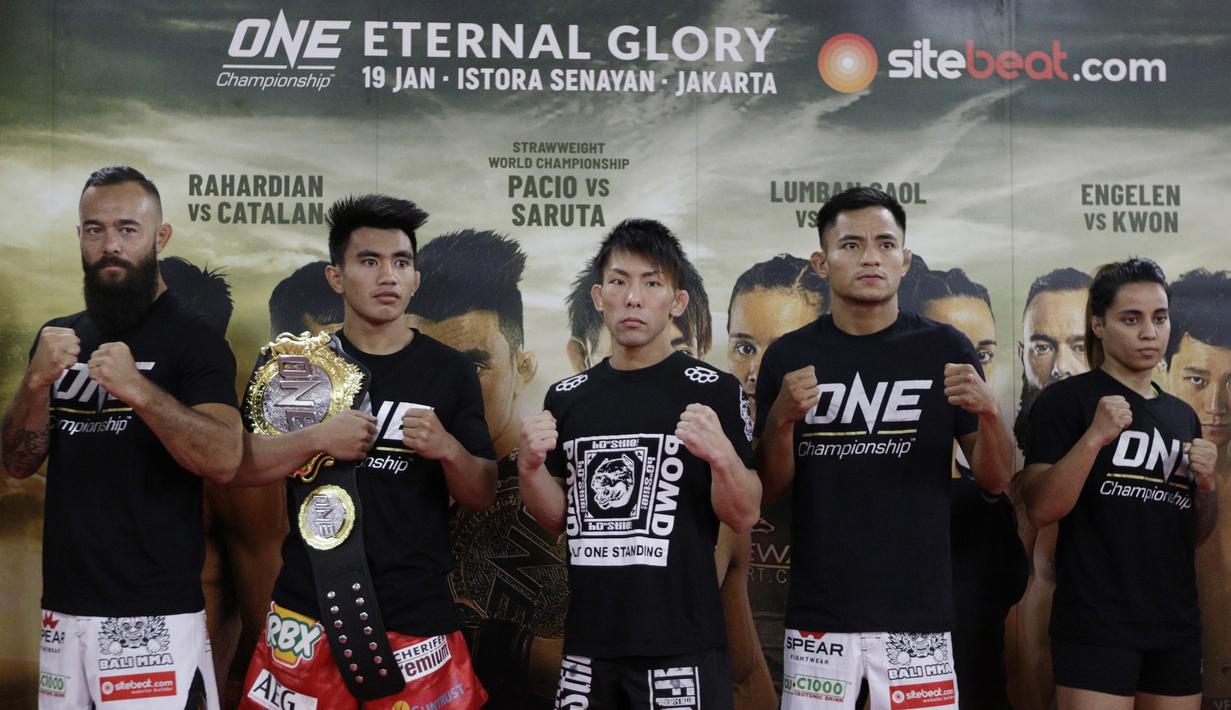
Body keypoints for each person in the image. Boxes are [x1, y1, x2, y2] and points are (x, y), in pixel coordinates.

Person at [231, 194, 497, 709]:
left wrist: (447, 449)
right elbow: (239, 468)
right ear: (337, 277)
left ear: (416, 278)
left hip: (417, 617)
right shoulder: (292, 368)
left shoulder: (451, 371)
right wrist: (315, 439)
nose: (388, 276)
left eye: (401, 262)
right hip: (307, 613)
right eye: (369, 261)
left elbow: (482, 492)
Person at [756, 186, 1013, 709]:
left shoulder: (945, 348)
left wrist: (989, 411)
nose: (870, 256)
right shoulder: (789, 355)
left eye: (885, 244)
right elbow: (772, 488)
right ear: (821, 262)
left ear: (905, 259)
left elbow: (995, 479)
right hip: (820, 619)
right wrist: (781, 417)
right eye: (851, 245)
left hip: (918, 617)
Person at [1, 165, 242, 709]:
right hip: (63, 612)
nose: (110, 244)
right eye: (95, 229)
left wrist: (140, 390)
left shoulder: (194, 340)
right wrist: (37, 384)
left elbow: (225, 458)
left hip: (153, 617)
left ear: (160, 237)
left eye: (127, 229)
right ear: (80, 237)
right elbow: (17, 461)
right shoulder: (60, 336)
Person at [520, 218, 762, 709]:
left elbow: (744, 514)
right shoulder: (568, 398)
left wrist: (720, 455)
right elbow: (557, 519)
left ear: (676, 302)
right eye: (619, 281)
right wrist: (528, 468)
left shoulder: (714, 390)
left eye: (651, 283)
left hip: (683, 645)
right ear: (598, 296)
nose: (633, 298)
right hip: (588, 645)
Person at [1020, 258, 1217, 710]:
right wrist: (1094, 437)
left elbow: (1196, 534)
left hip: (1175, 624)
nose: (1150, 332)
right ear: (1099, 325)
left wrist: (1205, 486)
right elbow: (1040, 509)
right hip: (1096, 624)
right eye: (1132, 319)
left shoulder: (1182, 416)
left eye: (1160, 318)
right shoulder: (1065, 402)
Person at [406, 229, 562, 708]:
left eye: (474, 365)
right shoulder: (377, 479)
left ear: (525, 367)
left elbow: (613, 654)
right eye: (427, 361)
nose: (449, 384)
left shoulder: (570, 487)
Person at [900, 263, 1029, 710]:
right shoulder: (880, 502)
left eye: (984, 354)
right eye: (954, 354)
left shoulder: (989, 503)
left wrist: (991, 414)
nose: (969, 369)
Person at [726, 254, 827, 694]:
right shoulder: (699, 454)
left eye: (782, 351)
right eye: (745, 347)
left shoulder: (857, 457)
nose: (756, 373)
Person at [1012, 267, 1093, 710]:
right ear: (1023, 354)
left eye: (1079, 346)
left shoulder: (1142, 462)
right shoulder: (1001, 481)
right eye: (1043, 347)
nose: (1061, 368)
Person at [1165, 269, 1231, 704]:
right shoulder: (1123, 474)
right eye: (1197, 379)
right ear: (1161, 367)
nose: (1215, 405)